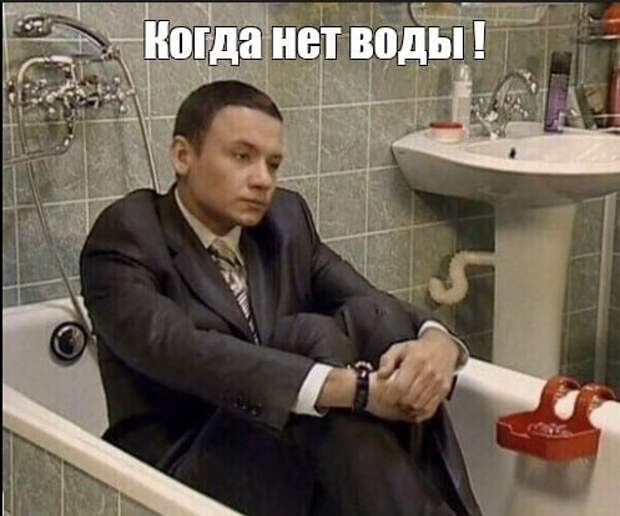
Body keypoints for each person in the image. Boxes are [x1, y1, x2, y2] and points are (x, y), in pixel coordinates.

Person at [80, 80, 482, 516]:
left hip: (289, 447)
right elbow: (187, 352)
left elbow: (371, 302)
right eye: (242, 157)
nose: (262, 180)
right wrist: (357, 391)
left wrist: (437, 342)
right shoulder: (129, 235)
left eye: (273, 164)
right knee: (305, 342)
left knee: (380, 325)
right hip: (179, 466)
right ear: (183, 156)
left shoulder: (284, 221)